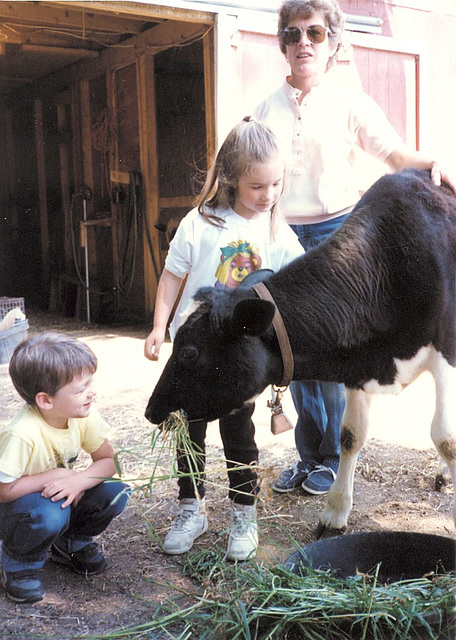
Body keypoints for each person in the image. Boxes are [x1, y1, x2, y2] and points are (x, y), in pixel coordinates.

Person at [254, 0, 456, 497]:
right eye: (294, 34)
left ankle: (328, 459)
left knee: (331, 351)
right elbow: (249, 170)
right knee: (290, 350)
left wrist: (431, 162)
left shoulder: (351, 103)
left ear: (333, 45)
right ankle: (310, 456)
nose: (305, 42)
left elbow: (393, 155)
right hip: (281, 237)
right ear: (282, 45)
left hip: (338, 240)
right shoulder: (264, 109)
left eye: (316, 34)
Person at [144, 116, 304, 561]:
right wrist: (159, 326)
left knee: (239, 435)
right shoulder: (201, 222)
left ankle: (243, 514)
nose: (268, 196)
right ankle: (191, 509)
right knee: (187, 433)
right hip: (193, 353)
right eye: (257, 187)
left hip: (236, 360)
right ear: (232, 179)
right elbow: (172, 277)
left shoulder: (276, 231)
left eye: (275, 185)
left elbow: (296, 282)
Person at [0, 333, 129, 604]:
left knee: (115, 493)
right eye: (81, 388)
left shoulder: (83, 414)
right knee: (50, 512)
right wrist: (60, 475)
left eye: (90, 383)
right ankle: (18, 562)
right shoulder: (23, 433)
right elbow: (4, 490)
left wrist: (79, 481)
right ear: (46, 400)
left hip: (57, 495)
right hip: (17, 511)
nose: (91, 392)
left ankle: (70, 543)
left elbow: (109, 461)